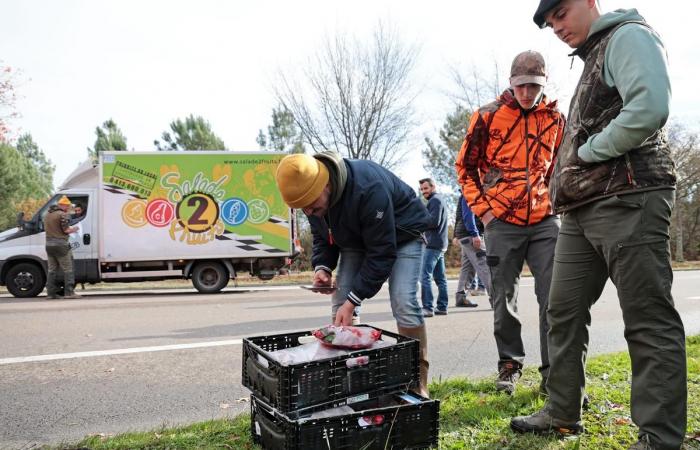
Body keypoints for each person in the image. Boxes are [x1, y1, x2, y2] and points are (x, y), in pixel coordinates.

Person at [511, 3, 686, 449]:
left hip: (628, 197)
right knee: (562, 311)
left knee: (647, 320)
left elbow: (650, 107)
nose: (557, 27)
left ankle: (659, 437)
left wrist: (587, 153)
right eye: (550, 24)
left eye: (562, 13)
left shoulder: (628, 35)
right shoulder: (593, 53)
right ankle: (562, 409)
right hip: (581, 210)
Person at [274, 151, 433, 397]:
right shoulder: (313, 202)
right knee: (339, 302)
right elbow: (322, 236)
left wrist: (354, 300)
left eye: (313, 206)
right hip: (359, 237)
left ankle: (416, 381)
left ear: (325, 184)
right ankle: (352, 377)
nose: (309, 212)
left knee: (403, 300)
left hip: (404, 234)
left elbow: (382, 252)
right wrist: (322, 268)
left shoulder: (368, 188)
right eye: (304, 209)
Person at [455, 50, 565, 395]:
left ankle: (555, 376)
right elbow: (464, 168)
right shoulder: (487, 117)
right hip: (501, 221)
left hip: (546, 220)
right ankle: (509, 365)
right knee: (504, 299)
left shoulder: (556, 119)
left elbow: (560, 167)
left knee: (555, 300)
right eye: (521, 86)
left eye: (534, 86)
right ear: (511, 83)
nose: (527, 94)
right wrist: (485, 212)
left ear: (543, 84)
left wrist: (559, 205)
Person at [418, 178, 449, 317]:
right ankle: (442, 307)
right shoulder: (439, 199)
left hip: (433, 244)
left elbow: (433, 222)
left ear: (433, 187)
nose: (424, 191)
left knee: (424, 276)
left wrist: (419, 222)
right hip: (440, 243)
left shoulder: (435, 201)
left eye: (426, 188)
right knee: (440, 278)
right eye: (422, 189)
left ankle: (428, 308)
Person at [453, 195, 491, 308]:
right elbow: (468, 215)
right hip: (470, 235)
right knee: (484, 265)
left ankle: (461, 297)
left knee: (468, 268)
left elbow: (458, 216)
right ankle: (496, 300)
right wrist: (475, 234)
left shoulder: (467, 192)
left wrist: (456, 234)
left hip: (464, 235)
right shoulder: (470, 192)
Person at [43, 195, 81, 299]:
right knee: (68, 268)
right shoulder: (63, 215)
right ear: (63, 205)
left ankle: (50, 293)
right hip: (61, 245)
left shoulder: (47, 215)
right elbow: (66, 230)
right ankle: (69, 292)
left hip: (49, 245)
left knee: (52, 270)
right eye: (68, 206)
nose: (68, 208)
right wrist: (75, 229)